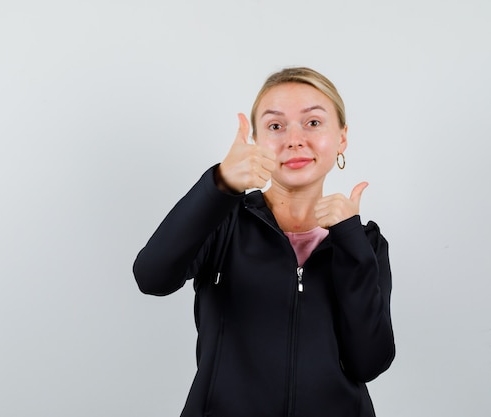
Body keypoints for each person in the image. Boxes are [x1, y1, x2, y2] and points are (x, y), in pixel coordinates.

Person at [133, 67, 395, 417]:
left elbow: (369, 362)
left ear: (342, 138)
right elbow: (152, 277)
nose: (294, 139)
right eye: (276, 126)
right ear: (256, 142)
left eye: (313, 123)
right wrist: (220, 184)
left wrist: (349, 240)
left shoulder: (365, 242)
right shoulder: (223, 223)